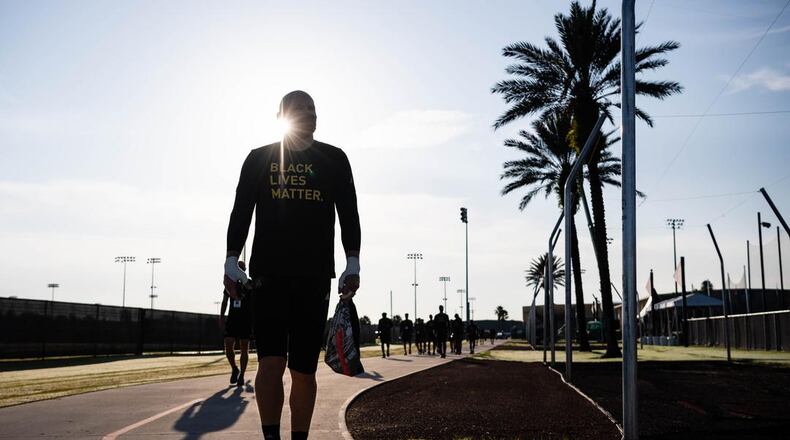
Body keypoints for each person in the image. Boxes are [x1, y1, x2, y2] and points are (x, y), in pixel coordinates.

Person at [224, 90, 361, 440]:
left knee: (304, 369)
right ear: (282, 115)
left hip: (314, 277)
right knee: (271, 362)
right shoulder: (259, 159)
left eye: (313, 108)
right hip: (268, 275)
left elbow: (349, 214)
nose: (309, 113)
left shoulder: (334, 159)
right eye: (300, 108)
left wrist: (353, 262)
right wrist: (230, 260)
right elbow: (241, 212)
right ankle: (272, 436)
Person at [219, 260, 252, 387]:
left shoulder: (248, 284)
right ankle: (234, 368)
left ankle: (242, 375)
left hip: (245, 320)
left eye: (242, 268)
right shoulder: (229, 283)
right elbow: (224, 301)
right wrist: (221, 317)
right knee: (228, 346)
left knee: (244, 347)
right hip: (232, 319)